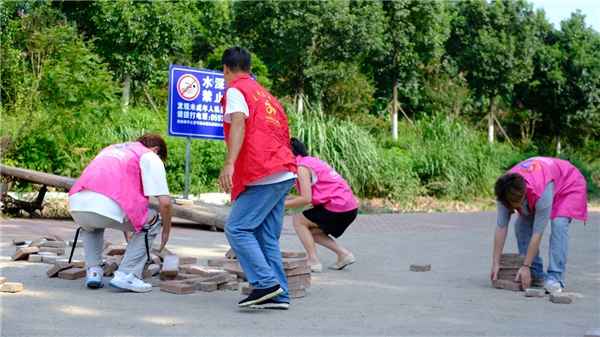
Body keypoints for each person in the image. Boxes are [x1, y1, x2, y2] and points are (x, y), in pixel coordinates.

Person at [218, 47, 297, 309]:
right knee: (265, 237)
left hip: (264, 171)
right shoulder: (266, 95)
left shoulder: (236, 90)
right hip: (283, 169)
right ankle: (280, 294)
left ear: (226, 69)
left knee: (237, 228)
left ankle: (265, 284)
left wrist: (229, 163)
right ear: (249, 68)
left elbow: (238, 122)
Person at [68, 133, 172, 292]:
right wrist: (166, 231)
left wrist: (130, 229)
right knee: (154, 219)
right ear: (156, 150)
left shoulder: (112, 149)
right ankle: (127, 275)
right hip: (109, 204)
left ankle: (94, 271)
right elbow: (164, 203)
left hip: (78, 203)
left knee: (91, 224)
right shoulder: (150, 156)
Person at [491, 157, 587, 293]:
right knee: (521, 226)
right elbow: (501, 227)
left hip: (568, 183)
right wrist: (496, 262)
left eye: (518, 205)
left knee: (559, 224)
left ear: (523, 196)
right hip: (543, 180)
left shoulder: (542, 194)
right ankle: (536, 275)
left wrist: (525, 265)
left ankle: (555, 277)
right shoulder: (504, 190)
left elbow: (537, 233)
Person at [285, 138, 358, 273]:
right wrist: (287, 199)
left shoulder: (301, 167)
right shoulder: (311, 161)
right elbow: (311, 196)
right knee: (313, 232)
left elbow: (306, 199)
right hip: (349, 207)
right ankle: (344, 254)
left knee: (299, 220)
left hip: (337, 207)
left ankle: (313, 260)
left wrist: (281, 205)